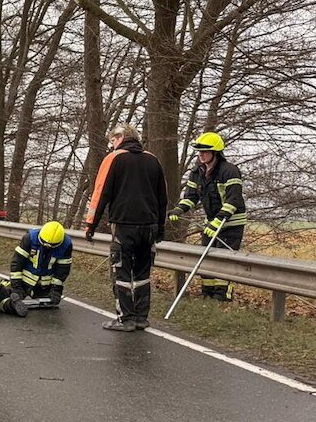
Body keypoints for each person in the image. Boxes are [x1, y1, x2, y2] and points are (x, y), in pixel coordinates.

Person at [84, 122, 166, 331]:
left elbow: (100, 193)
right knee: (142, 273)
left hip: (123, 225)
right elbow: (162, 197)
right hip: (149, 226)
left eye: (112, 141)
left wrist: (90, 224)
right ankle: (141, 317)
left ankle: (125, 318)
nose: (111, 145)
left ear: (120, 138)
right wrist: (161, 227)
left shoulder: (113, 159)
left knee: (121, 272)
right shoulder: (152, 160)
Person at [168, 131, 246, 301]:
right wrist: (179, 210)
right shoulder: (197, 172)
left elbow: (234, 199)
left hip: (231, 224)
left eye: (205, 151)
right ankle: (207, 294)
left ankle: (222, 297)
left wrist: (218, 221)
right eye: (199, 151)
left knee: (224, 261)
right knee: (207, 258)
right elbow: (191, 197)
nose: (201, 155)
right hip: (211, 223)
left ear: (215, 153)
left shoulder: (229, 171)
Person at [9, 221, 73, 308]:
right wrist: (16, 287)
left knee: (48, 305)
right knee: (8, 300)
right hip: (23, 282)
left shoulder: (66, 245)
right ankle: (8, 288)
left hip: (44, 286)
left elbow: (62, 270)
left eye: (51, 245)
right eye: (45, 243)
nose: (47, 247)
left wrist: (56, 290)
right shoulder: (30, 238)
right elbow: (17, 263)